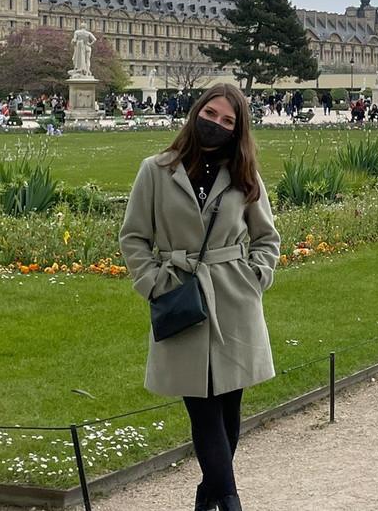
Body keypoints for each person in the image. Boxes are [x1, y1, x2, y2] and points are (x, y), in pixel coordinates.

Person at [119, 84, 280, 511]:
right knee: (202, 407)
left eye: (228, 121)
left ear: (237, 129)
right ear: (196, 112)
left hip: (233, 297)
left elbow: (267, 237)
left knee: (228, 411)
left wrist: (256, 276)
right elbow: (133, 236)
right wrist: (154, 283)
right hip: (181, 294)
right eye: (212, 114)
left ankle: (207, 494)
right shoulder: (155, 170)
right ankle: (229, 499)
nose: (217, 125)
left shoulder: (244, 174)